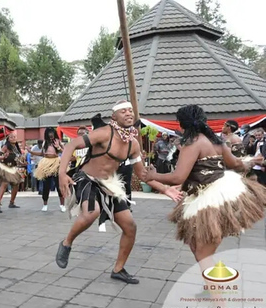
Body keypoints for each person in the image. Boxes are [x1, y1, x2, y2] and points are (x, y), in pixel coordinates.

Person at [55, 100, 183, 284]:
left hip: (110, 185)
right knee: (92, 212)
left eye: (131, 111)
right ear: (114, 116)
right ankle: (66, 243)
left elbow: (141, 174)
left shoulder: (133, 144)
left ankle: (119, 269)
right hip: (87, 179)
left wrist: (165, 188)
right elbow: (71, 145)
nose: (129, 113)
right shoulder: (103, 133)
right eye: (123, 111)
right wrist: (61, 173)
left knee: (130, 227)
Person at [144, 105, 266, 270]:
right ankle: (212, 285)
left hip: (211, 199)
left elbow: (178, 177)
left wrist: (154, 176)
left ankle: (218, 294)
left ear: (181, 125)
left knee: (203, 254)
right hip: (223, 194)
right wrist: (250, 161)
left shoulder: (193, 144)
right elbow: (236, 164)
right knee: (196, 247)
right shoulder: (217, 142)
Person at [29, 128, 66, 212]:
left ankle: (62, 205)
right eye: (49, 133)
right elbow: (42, 153)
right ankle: (45, 205)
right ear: (47, 134)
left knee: (59, 185)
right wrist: (31, 152)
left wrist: (58, 147)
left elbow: (65, 152)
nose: (51, 134)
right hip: (46, 163)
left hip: (56, 163)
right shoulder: (45, 142)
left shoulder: (58, 141)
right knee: (46, 185)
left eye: (52, 132)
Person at [0, 132, 24, 213]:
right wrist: (3, 157)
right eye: (11, 137)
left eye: (15, 137)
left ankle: (12, 202)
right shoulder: (5, 147)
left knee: (16, 185)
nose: (14, 138)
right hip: (4, 167)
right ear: (8, 138)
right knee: (4, 184)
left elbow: (18, 159)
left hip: (13, 168)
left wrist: (22, 163)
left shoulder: (16, 147)